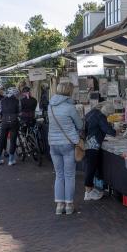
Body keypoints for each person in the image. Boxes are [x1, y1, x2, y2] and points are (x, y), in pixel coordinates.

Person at [48, 82, 83, 215]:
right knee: (69, 175)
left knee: (59, 175)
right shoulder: (70, 107)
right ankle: (69, 205)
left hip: (53, 144)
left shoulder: (50, 106)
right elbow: (79, 125)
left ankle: (59, 205)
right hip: (68, 144)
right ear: (69, 92)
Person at [84, 101, 116, 201]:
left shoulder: (92, 112)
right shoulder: (100, 116)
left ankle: (90, 189)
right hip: (93, 144)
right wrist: (115, 131)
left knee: (91, 166)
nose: (109, 116)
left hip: (87, 141)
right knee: (91, 167)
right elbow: (108, 130)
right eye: (109, 114)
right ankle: (88, 192)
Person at [0, 87, 20, 166]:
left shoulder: (2, 101)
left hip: (4, 122)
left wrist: (1, 119)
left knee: (2, 140)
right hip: (14, 122)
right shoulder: (17, 101)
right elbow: (20, 111)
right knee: (13, 141)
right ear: (14, 94)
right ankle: (11, 160)